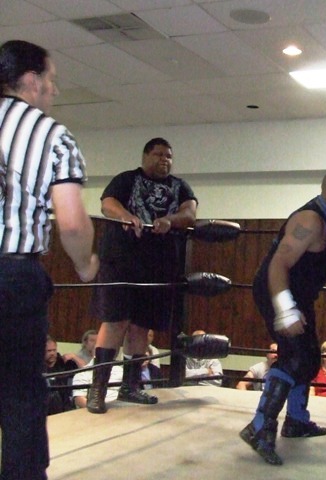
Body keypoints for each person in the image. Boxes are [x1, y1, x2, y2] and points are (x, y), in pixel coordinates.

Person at [0, 39, 99, 480]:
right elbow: (72, 223)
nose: (54, 90)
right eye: (51, 80)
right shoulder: (51, 134)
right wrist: (85, 264)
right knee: (21, 393)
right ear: (31, 80)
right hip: (13, 275)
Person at [239, 170, 326, 466]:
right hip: (276, 290)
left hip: (300, 295)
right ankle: (259, 427)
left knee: (309, 358)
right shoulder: (310, 221)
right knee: (294, 357)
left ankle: (296, 421)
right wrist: (285, 309)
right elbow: (278, 264)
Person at [88, 136, 197, 414]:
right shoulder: (126, 179)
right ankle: (97, 388)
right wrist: (125, 215)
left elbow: (190, 214)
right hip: (121, 262)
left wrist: (169, 220)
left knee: (141, 325)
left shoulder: (180, 186)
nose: (165, 160)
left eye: (169, 156)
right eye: (159, 154)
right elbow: (107, 203)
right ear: (145, 156)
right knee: (115, 321)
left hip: (158, 265)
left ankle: (131, 385)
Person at [44, 335, 77, 415]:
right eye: (49, 351)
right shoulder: (36, 366)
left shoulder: (64, 362)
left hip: (65, 406)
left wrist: (75, 357)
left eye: (54, 350)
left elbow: (87, 371)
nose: (52, 353)